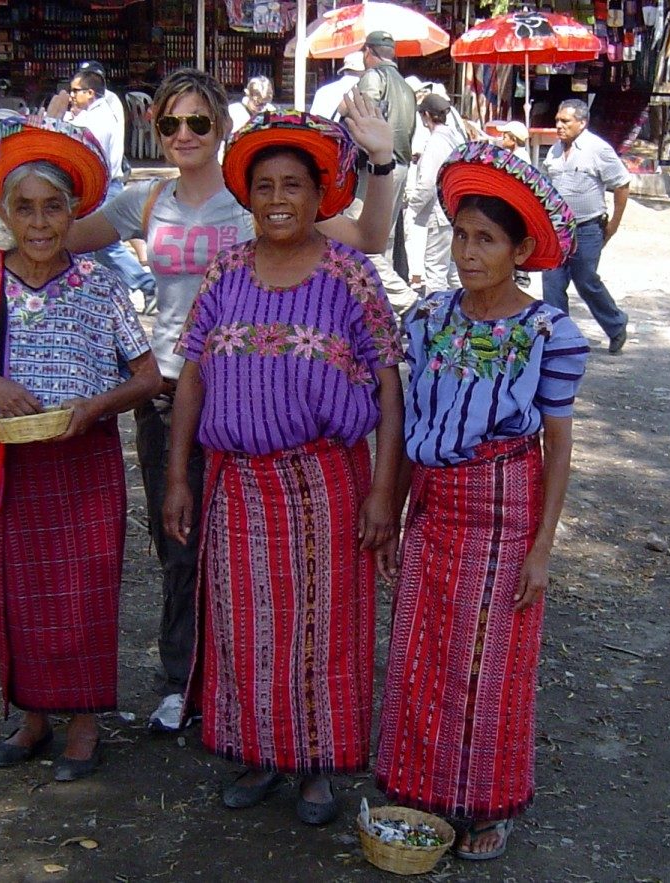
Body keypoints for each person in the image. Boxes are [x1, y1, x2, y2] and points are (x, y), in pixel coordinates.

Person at [62, 67, 398, 734]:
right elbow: (59, 240)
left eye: (198, 121)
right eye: (169, 123)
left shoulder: (273, 210)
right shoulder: (150, 203)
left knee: (293, 584)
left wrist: (383, 158)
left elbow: (372, 241)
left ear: (221, 127)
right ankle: (189, 685)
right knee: (184, 547)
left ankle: (292, 731)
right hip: (177, 394)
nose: (183, 134)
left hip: (288, 421)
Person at [163, 111, 404, 825]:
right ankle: (259, 752)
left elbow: (390, 385)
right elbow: (193, 377)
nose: (277, 198)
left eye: (293, 185)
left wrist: (384, 490)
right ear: (247, 194)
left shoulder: (350, 274)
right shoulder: (226, 270)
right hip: (236, 483)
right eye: (264, 184)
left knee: (322, 629)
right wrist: (180, 475)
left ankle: (315, 767)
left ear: (320, 193)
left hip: (326, 483)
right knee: (246, 626)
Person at [0, 114, 161, 782]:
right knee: (17, 591)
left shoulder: (102, 286)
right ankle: (32, 717)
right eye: (23, 208)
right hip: (8, 461)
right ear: (4, 213)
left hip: (84, 461)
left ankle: (84, 722)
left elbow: (147, 376)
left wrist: (96, 407)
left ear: (72, 212)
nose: (37, 222)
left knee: (83, 591)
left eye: (52, 207)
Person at [376, 141, 590, 861]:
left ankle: (487, 801)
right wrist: (395, 510)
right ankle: (424, 787)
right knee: (420, 645)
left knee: (487, 656)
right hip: (433, 504)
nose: (469, 253)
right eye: (462, 235)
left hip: (505, 507)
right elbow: (407, 426)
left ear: (521, 248)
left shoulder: (547, 333)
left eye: (487, 239)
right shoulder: (430, 319)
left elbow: (556, 448)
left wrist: (542, 547)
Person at [47, 68, 156, 307]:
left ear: (91, 92)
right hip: (103, 186)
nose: (71, 95)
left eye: (76, 91)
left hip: (101, 187)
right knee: (92, 246)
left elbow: (83, 158)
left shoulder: (97, 119)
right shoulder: (98, 112)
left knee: (106, 247)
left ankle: (147, 285)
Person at [541, 98, 630, 355]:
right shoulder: (554, 151)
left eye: (565, 121)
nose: (559, 125)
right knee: (552, 284)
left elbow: (622, 184)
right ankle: (560, 337)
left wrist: (613, 224)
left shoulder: (598, 149)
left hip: (588, 228)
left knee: (586, 281)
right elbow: (546, 187)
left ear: (582, 123)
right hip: (557, 229)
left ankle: (616, 324)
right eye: (557, 120)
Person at [354, 31, 419, 312]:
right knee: (385, 240)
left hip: (377, 166)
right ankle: (384, 310)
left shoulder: (373, 77)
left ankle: (408, 303)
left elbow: (364, 120)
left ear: (369, 52)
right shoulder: (405, 86)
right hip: (400, 164)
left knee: (362, 237)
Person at [407, 92, 466, 296]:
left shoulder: (435, 143)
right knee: (452, 269)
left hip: (439, 213)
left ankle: (436, 314)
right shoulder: (453, 137)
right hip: (455, 210)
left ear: (426, 116)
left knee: (435, 270)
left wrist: (412, 205)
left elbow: (427, 184)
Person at [309, 51, 363, 120]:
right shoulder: (362, 91)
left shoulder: (322, 91)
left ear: (344, 70)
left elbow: (312, 119)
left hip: (321, 129)